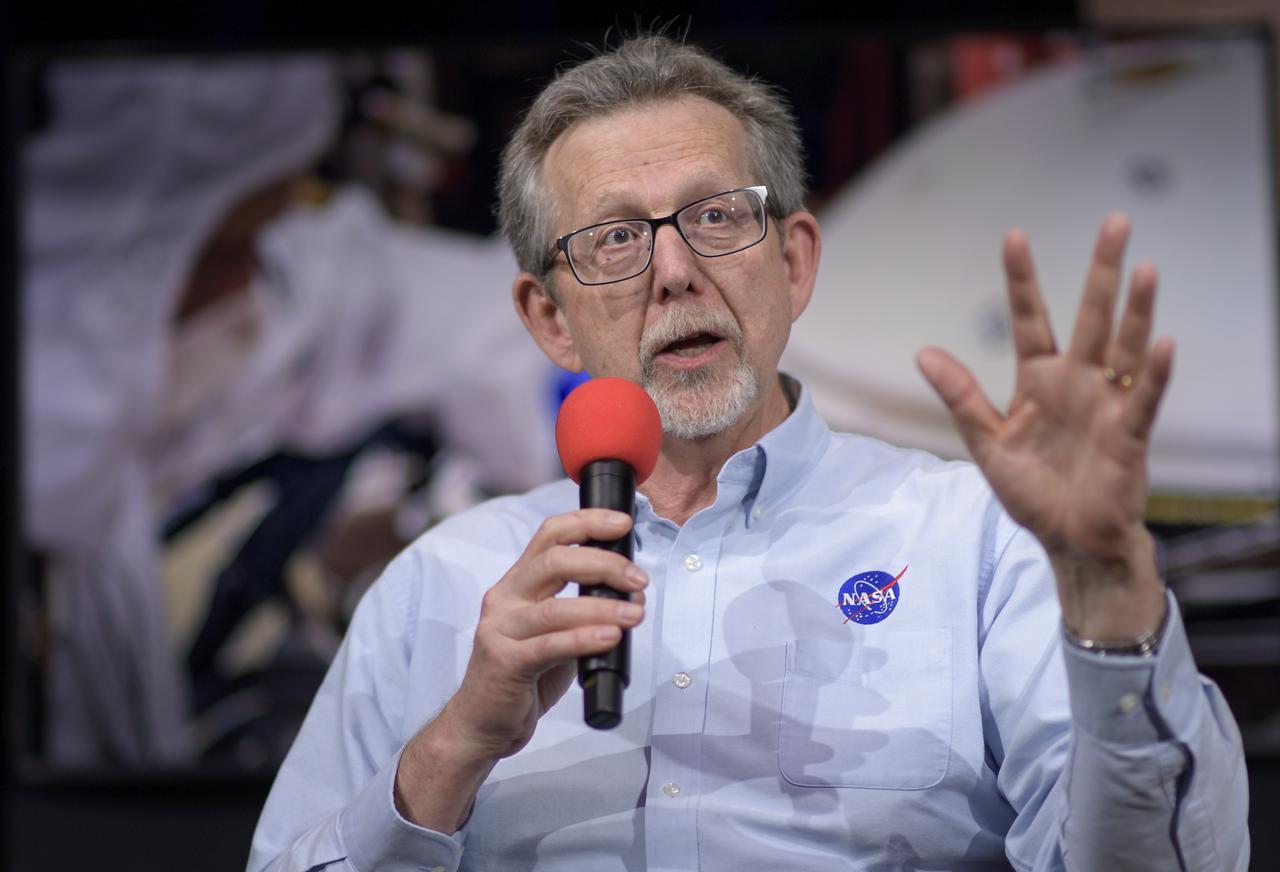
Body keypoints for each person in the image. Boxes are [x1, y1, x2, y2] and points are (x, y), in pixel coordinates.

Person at [247, 35, 1249, 871]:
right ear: (547, 318)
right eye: (612, 240)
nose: (675, 270)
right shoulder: (435, 587)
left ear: (793, 259)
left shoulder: (975, 541)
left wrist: (1112, 595)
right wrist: (455, 744)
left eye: (715, 216)